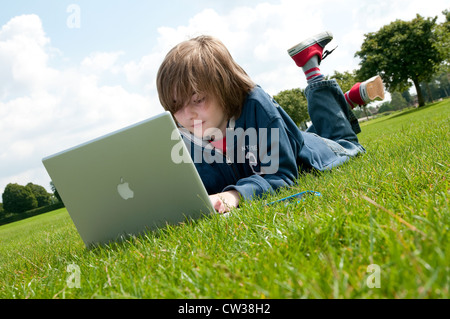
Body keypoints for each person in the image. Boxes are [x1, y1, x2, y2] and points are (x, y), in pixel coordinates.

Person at [156, 31, 385, 214]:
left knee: (344, 140)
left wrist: (234, 195)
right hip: (290, 138)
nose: (187, 115)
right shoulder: (183, 136)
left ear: (224, 85)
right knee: (296, 132)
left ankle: (312, 69)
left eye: (198, 99)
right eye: (176, 106)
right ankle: (350, 99)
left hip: (316, 151)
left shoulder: (256, 104)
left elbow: (280, 175)